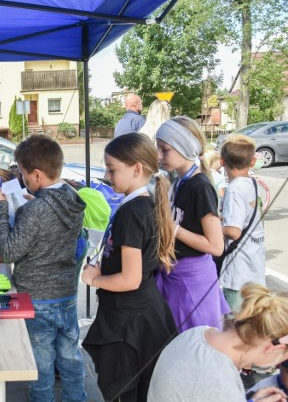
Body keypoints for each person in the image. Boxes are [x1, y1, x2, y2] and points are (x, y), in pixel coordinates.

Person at [0, 134, 88, 402]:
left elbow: (8, 251)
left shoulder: (36, 210)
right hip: (67, 294)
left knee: (41, 366)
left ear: (36, 175)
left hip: (37, 299)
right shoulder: (71, 195)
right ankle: (76, 398)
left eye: (22, 173)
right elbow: (50, 221)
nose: (20, 178)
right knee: (70, 357)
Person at [81, 132, 178, 402]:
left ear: (136, 169)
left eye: (112, 170)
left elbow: (130, 279)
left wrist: (94, 279)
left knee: (128, 392)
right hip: (140, 314)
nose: (107, 176)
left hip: (129, 320)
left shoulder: (132, 212)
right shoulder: (142, 205)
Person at [148, 283, 288, 402]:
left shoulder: (197, 333)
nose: (277, 364)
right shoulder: (221, 384)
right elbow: (213, 389)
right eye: (282, 359)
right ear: (273, 348)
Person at [155, 116, 229, 332]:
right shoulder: (178, 181)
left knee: (197, 345)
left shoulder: (200, 187)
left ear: (185, 146)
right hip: (176, 275)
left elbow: (216, 246)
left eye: (165, 149)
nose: (159, 156)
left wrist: (173, 229)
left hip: (193, 281)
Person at [219, 134, 266, 313]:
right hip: (254, 266)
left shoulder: (234, 189)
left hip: (238, 273)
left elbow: (233, 232)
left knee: (238, 324)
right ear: (252, 161)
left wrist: (214, 224)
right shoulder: (253, 184)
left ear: (222, 162)